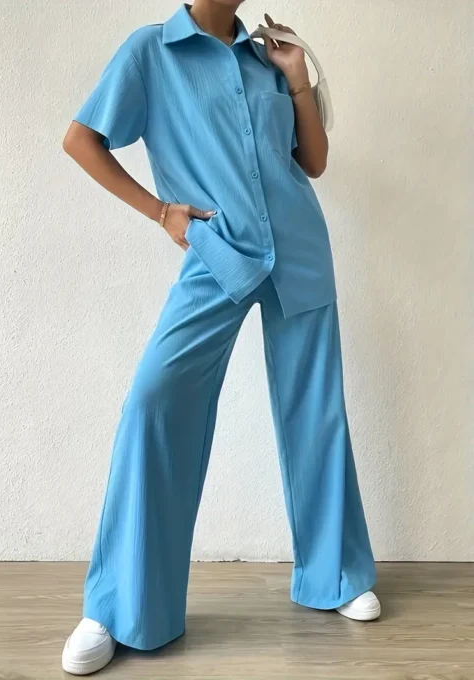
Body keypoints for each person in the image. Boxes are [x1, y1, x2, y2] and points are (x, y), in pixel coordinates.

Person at [61, 0, 380, 674]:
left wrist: (295, 76)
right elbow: (81, 140)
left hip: (299, 248)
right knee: (154, 402)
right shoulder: (151, 51)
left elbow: (313, 163)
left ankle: (336, 575)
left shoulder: (267, 57)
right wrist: (161, 213)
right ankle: (119, 605)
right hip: (216, 252)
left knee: (316, 413)